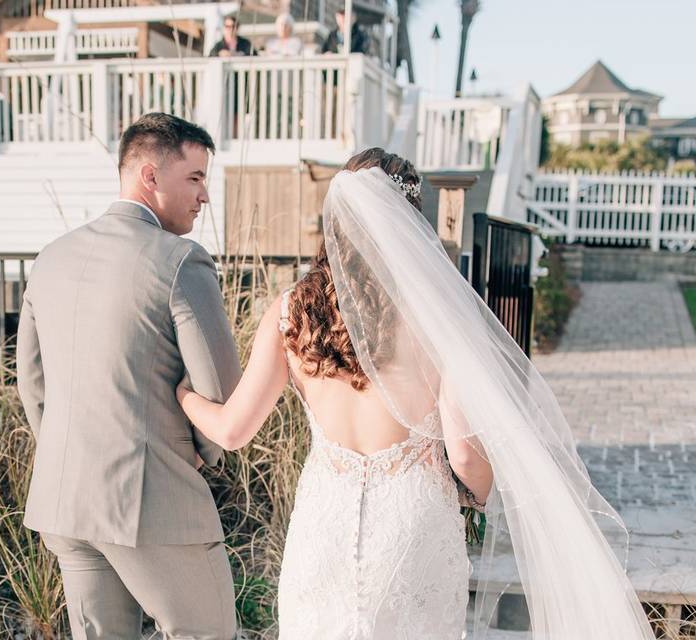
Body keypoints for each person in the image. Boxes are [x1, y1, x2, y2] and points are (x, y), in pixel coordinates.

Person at [177, 147, 659, 639]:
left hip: (325, 527)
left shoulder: (289, 312)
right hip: (413, 529)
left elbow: (233, 430)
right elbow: (466, 457)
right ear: (409, 220)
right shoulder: (436, 318)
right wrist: (487, 497)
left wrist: (184, 397)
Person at [15, 112, 241, 640]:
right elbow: (224, 393)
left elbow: (31, 381)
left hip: (65, 499)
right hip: (150, 499)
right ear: (150, 177)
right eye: (195, 177)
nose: (204, 195)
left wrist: (66, 451)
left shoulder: (51, 258)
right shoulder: (182, 260)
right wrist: (200, 454)